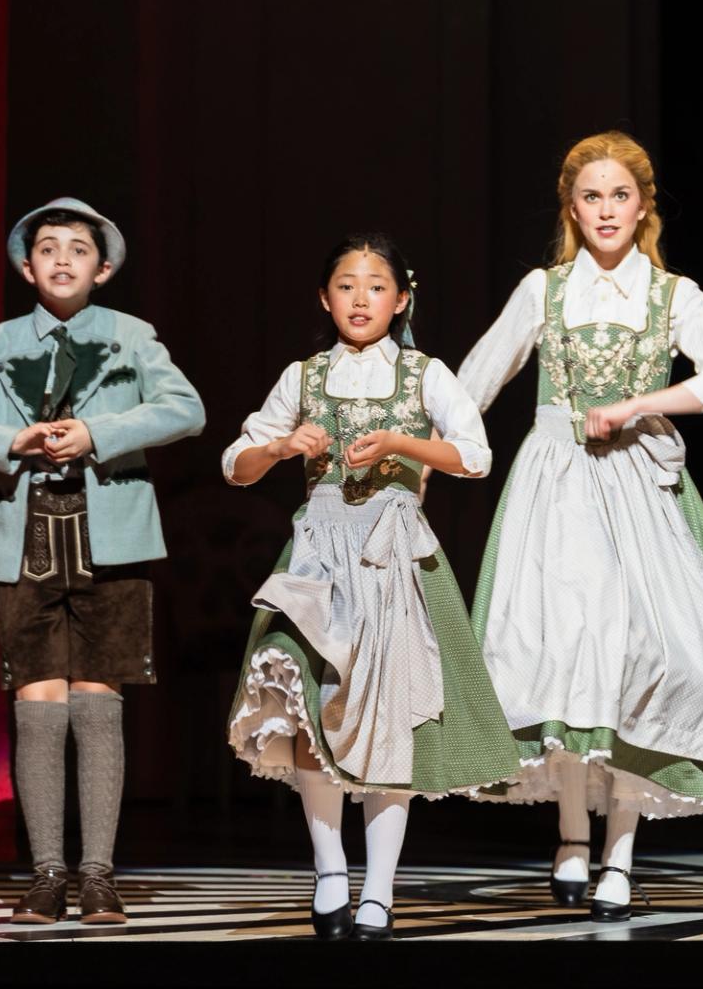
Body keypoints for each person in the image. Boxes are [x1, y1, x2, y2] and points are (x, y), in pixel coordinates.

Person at [457, 132, 703, 920]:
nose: (606, 210)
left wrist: (640, 404)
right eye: (591, 196)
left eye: (620, 196)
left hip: (636, 486)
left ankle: (621, 852)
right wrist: (420, 444)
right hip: (555, 488)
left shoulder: (674, 295)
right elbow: (473, 381)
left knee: (642, 658)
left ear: (644, 207)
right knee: (563, 651)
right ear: (573, 206)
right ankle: (570, 834)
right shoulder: (545, 289)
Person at [225, 232, 520, 940]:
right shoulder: (302, 377)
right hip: (318, 553)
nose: (361, 297)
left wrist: (398, 443)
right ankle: (329, 869)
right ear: (325, 299)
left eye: (376, 285)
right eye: (347, 285)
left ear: (402, 299)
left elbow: (474, 457)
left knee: (389, 721)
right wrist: (280, 447)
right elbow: (236, 461)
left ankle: (379, 889)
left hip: (390, 556)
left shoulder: (425, 376)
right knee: (302, 701)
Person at [0, 198, 204, 926]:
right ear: (27, 267)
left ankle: (97, 875)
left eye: (78, 248)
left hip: (109, 532)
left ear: (105, 266)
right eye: (48, 248)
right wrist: (10, 440)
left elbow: (185, 408)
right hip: (23, 532)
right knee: (37, 703)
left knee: (98, 703)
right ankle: (45, 874)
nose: (62, 258)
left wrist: (97, 430)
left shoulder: (131, 337)